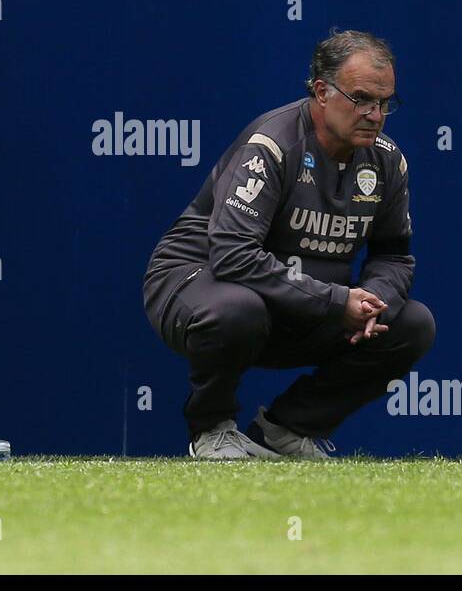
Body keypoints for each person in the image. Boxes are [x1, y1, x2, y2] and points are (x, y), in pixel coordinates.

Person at [142, 30, 435, 459]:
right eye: (360, 99)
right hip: (194, 285)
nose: (374, 114)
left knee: (412, 324)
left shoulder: (388, 160)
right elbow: (232, 256)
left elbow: (393, 254)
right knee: (236, 309)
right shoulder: (272, 144)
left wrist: (374, 300)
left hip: (298, 304)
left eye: (384, 102)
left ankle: (287, 429)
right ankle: (211, 429)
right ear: (321, 91)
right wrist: (337, 303)